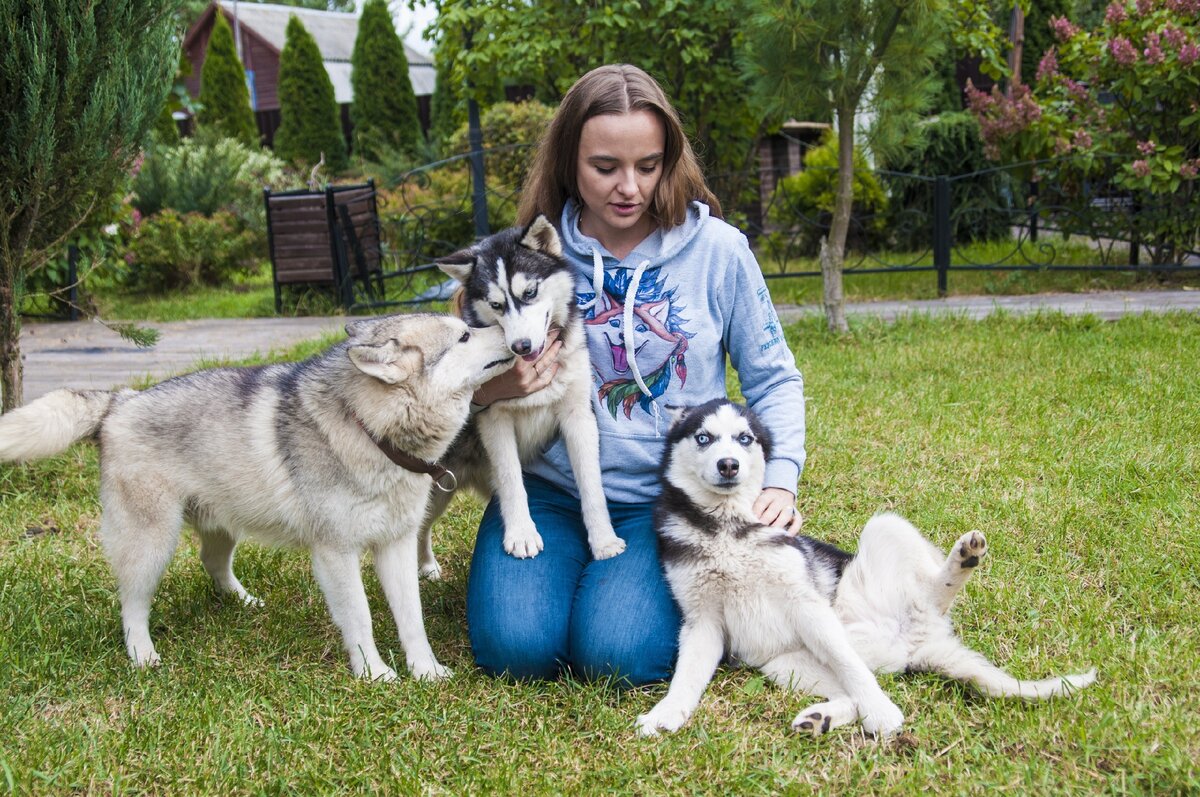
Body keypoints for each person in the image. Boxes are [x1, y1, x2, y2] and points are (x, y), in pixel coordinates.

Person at [465, 63, 806, 686]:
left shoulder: (719, 252)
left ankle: (642, 594)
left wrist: (778, 482)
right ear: (570, 161)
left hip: (674, 500)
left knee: (616, 655)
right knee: (516, 648)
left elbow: (774, 379)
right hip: (547, 489)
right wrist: (493, 388)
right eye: (605, 168)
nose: (629, 187)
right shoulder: (528, 259)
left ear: (669, 160)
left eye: (648, 166)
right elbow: (450, 367)